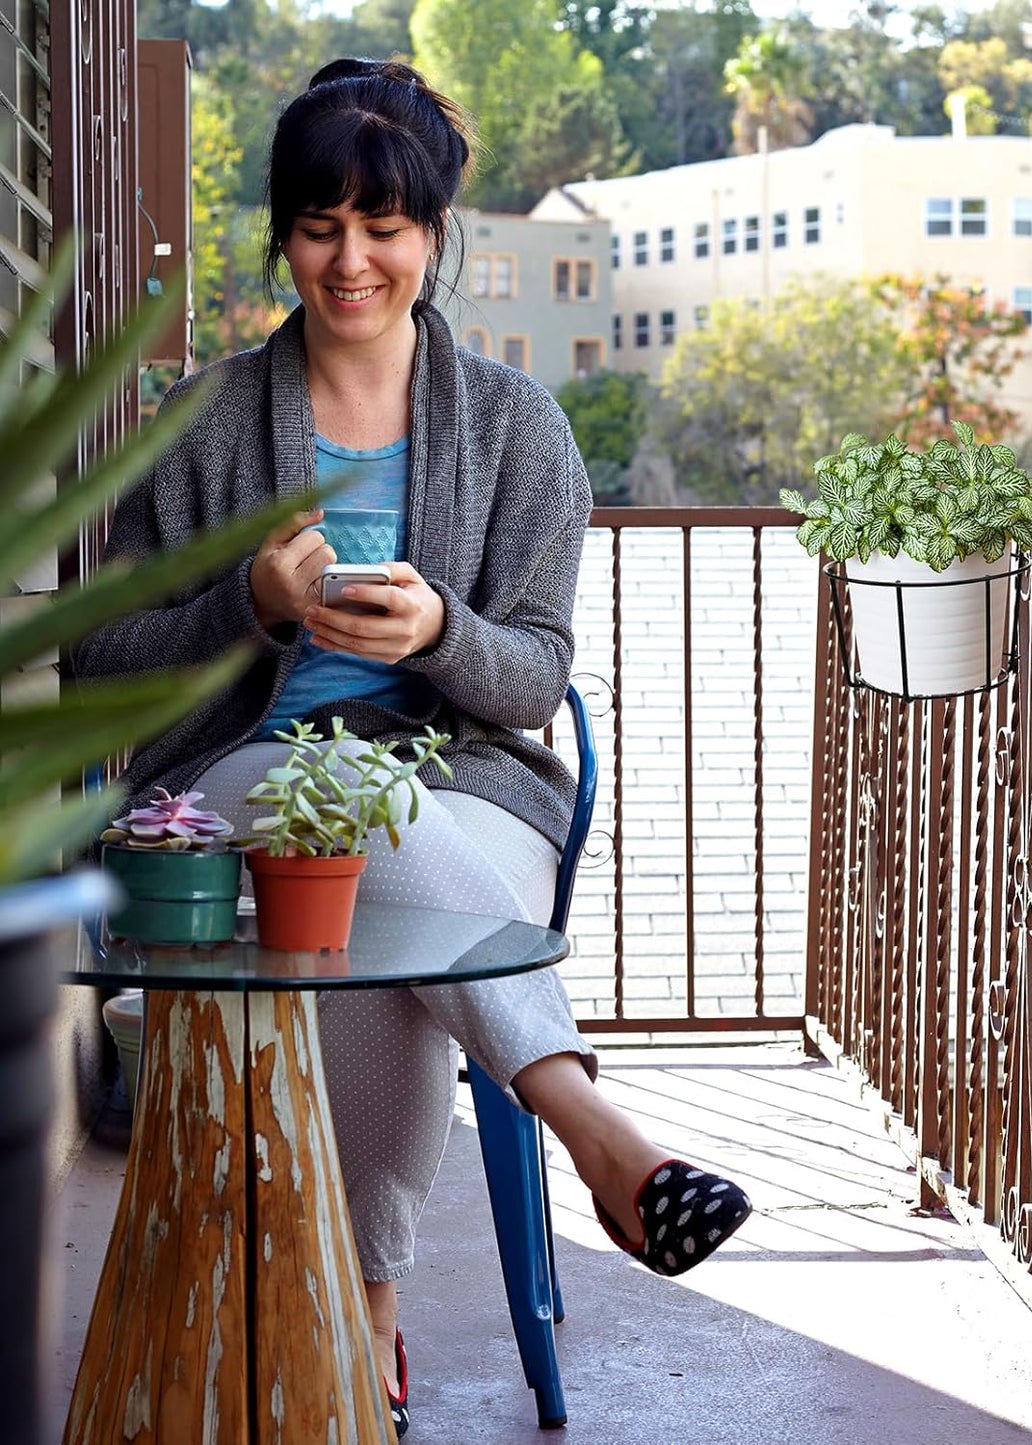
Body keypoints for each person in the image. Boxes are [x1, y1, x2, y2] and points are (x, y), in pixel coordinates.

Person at [74, 57, 750, 1437]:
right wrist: (252, 606)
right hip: (247, 774)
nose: (351, 259)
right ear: (283, 235)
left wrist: (441, 627)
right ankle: (598, 1135)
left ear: (435, 236)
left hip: (469, 787)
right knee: (349, 830)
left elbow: (534, 676)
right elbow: (103, 670)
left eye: (383, 227)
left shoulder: (516, 430)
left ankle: (366, 1302)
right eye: (319, 225)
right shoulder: (201, 427)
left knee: (380, 906)